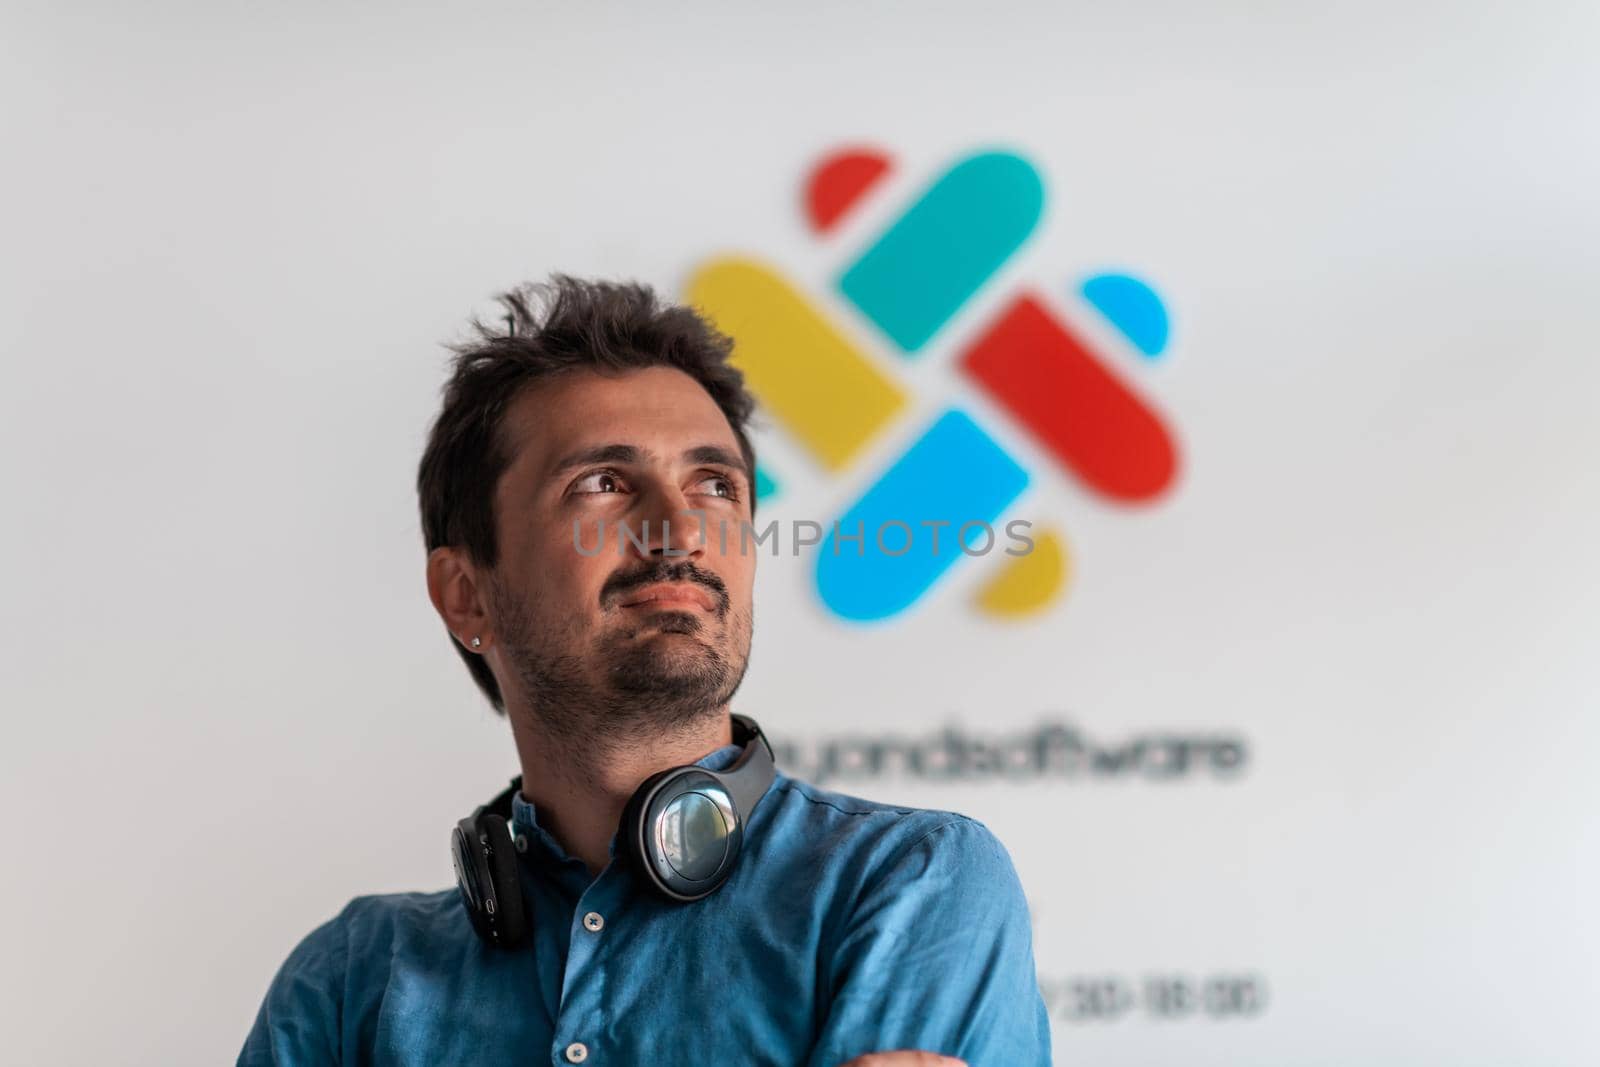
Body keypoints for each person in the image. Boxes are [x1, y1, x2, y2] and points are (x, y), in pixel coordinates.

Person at [238, 276, 1052, 1066]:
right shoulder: (351, 980)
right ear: (466, 594)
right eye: (603, 483)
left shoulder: (910, 881)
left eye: (714, 484)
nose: (679, 529)